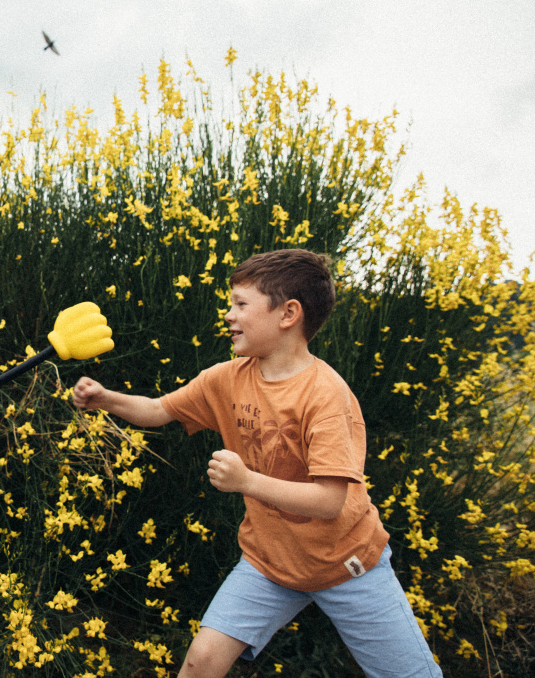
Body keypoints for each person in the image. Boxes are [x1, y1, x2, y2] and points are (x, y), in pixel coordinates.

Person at [72, 249, 441, 678]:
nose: (229, 315)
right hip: (270, 563)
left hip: (347, 563)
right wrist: (106, 399)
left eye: (241, 304)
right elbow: (158, 410)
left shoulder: (327, 396)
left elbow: (328, 502)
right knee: (201, 661)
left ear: (288, 314)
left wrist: (246, 481)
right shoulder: (227, 378)